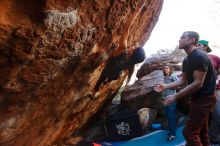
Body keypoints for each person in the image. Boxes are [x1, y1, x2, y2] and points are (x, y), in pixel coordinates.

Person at [154, 31, 216, 146]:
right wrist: (165, 86)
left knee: (189, 133)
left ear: (192, 40)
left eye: (183, 37)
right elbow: (182, 80)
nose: (179, 40)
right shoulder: (187, 60)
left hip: (205, 99)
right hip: (197, 99)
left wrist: (175, 96)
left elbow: (198, 83)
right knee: (202, 132)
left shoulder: (199, 56)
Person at [197, 40, 220, 145]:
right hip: (202, 91)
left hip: (216, 89)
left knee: (217, 114)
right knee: (204, 116)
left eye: (199, 45)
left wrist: (217, 80)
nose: (197, 47)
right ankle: (209, 139)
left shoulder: (215, 58)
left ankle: (213, 137)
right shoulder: (194, 59)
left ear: (205, 47)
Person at [161, 64, 178, 141]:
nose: (165, 69)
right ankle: (171, 130)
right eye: (164, 68)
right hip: (164, 99)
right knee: (168, 115)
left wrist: (167, 85)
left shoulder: (173, 76)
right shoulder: (163, 78)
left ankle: (173, 134)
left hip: (171, 98)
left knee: (171, 116)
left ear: (170, 69)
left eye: (167, 68)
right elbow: (163, 88)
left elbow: (178, 85)